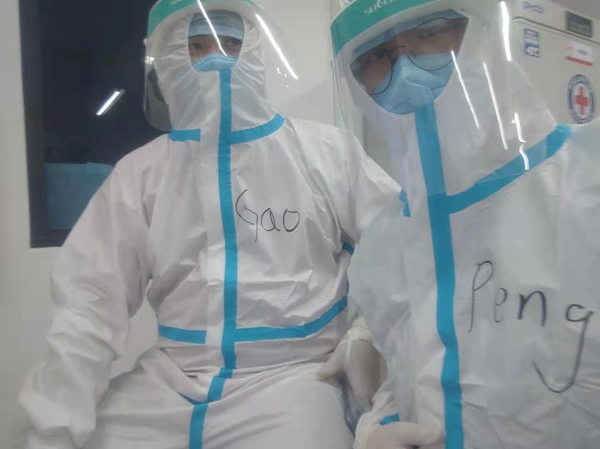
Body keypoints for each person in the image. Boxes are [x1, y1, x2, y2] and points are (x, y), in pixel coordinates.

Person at [19, 2, 400, 449]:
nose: (216, 59)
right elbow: (89, 306)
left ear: (253, 50)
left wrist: (363, 333)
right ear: (166, 61)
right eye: (196, 46)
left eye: (229, 43)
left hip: (293, 376)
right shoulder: (140, 175)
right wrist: (56, 425)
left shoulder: (326, 152)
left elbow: (402, 246)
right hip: (170, 381)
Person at [331, 0, 600, 448]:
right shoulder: (384, 245)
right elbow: (415, 374)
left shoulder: (588, 178)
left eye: (430, 31)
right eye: (377, 56)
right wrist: (375, 423)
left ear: (483, 30)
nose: (407, 70)